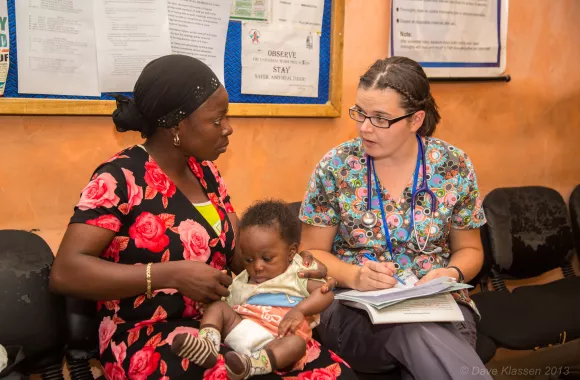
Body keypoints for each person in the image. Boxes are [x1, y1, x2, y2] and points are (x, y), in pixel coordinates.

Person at [49, 54, 356, 380]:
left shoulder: (206, 173)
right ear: (177, 126)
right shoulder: (120, 178)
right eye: (217, 119)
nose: (228, 128)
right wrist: (169, 275)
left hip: (226, 319)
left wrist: (292, 264)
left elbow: (240, 256)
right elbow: (66, 272)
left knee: (333, 372)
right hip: (147, 333)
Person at [298, 56, 492, 380]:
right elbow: (309, 255)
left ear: (416, 119)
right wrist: (356, 277)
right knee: (414, 333)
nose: (364, 127)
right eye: (360, 112)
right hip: (354, 311)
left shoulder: (453, 165)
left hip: (439, 305)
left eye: (380, 118)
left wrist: (450, 272)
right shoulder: (336, 167)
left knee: (424, 338)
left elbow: (471, 250)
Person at [171, 200, 335, 379]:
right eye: (248, 260)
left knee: (296, 344)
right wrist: (209, 307)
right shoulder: (242, 280)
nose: (257, 267)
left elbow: (325, 293)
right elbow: (227, 306)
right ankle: (208, 344)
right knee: (217, 308)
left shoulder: (297, 271)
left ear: (291, 252)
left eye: (267, 258)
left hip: (278, 340)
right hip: (242, 330)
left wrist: (300, 311)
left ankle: (252, 365)